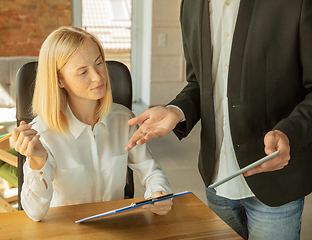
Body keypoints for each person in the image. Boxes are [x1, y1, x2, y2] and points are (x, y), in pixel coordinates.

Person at [125, 0, 312, 239]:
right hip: (216, 181)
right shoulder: (190, 5)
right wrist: (176, 110)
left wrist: (289, 133)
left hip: (276, 183)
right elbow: (199, 84)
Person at [12, 26, 172, 222]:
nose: (98, 77)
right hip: (66, 232)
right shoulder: (43, 133)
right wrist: (38, 159)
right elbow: (34, 213)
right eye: (82, 72)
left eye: (99, 63)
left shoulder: (124, 119)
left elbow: (150, 169)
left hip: (115, 229)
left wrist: (159, 192)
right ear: (59, 80)